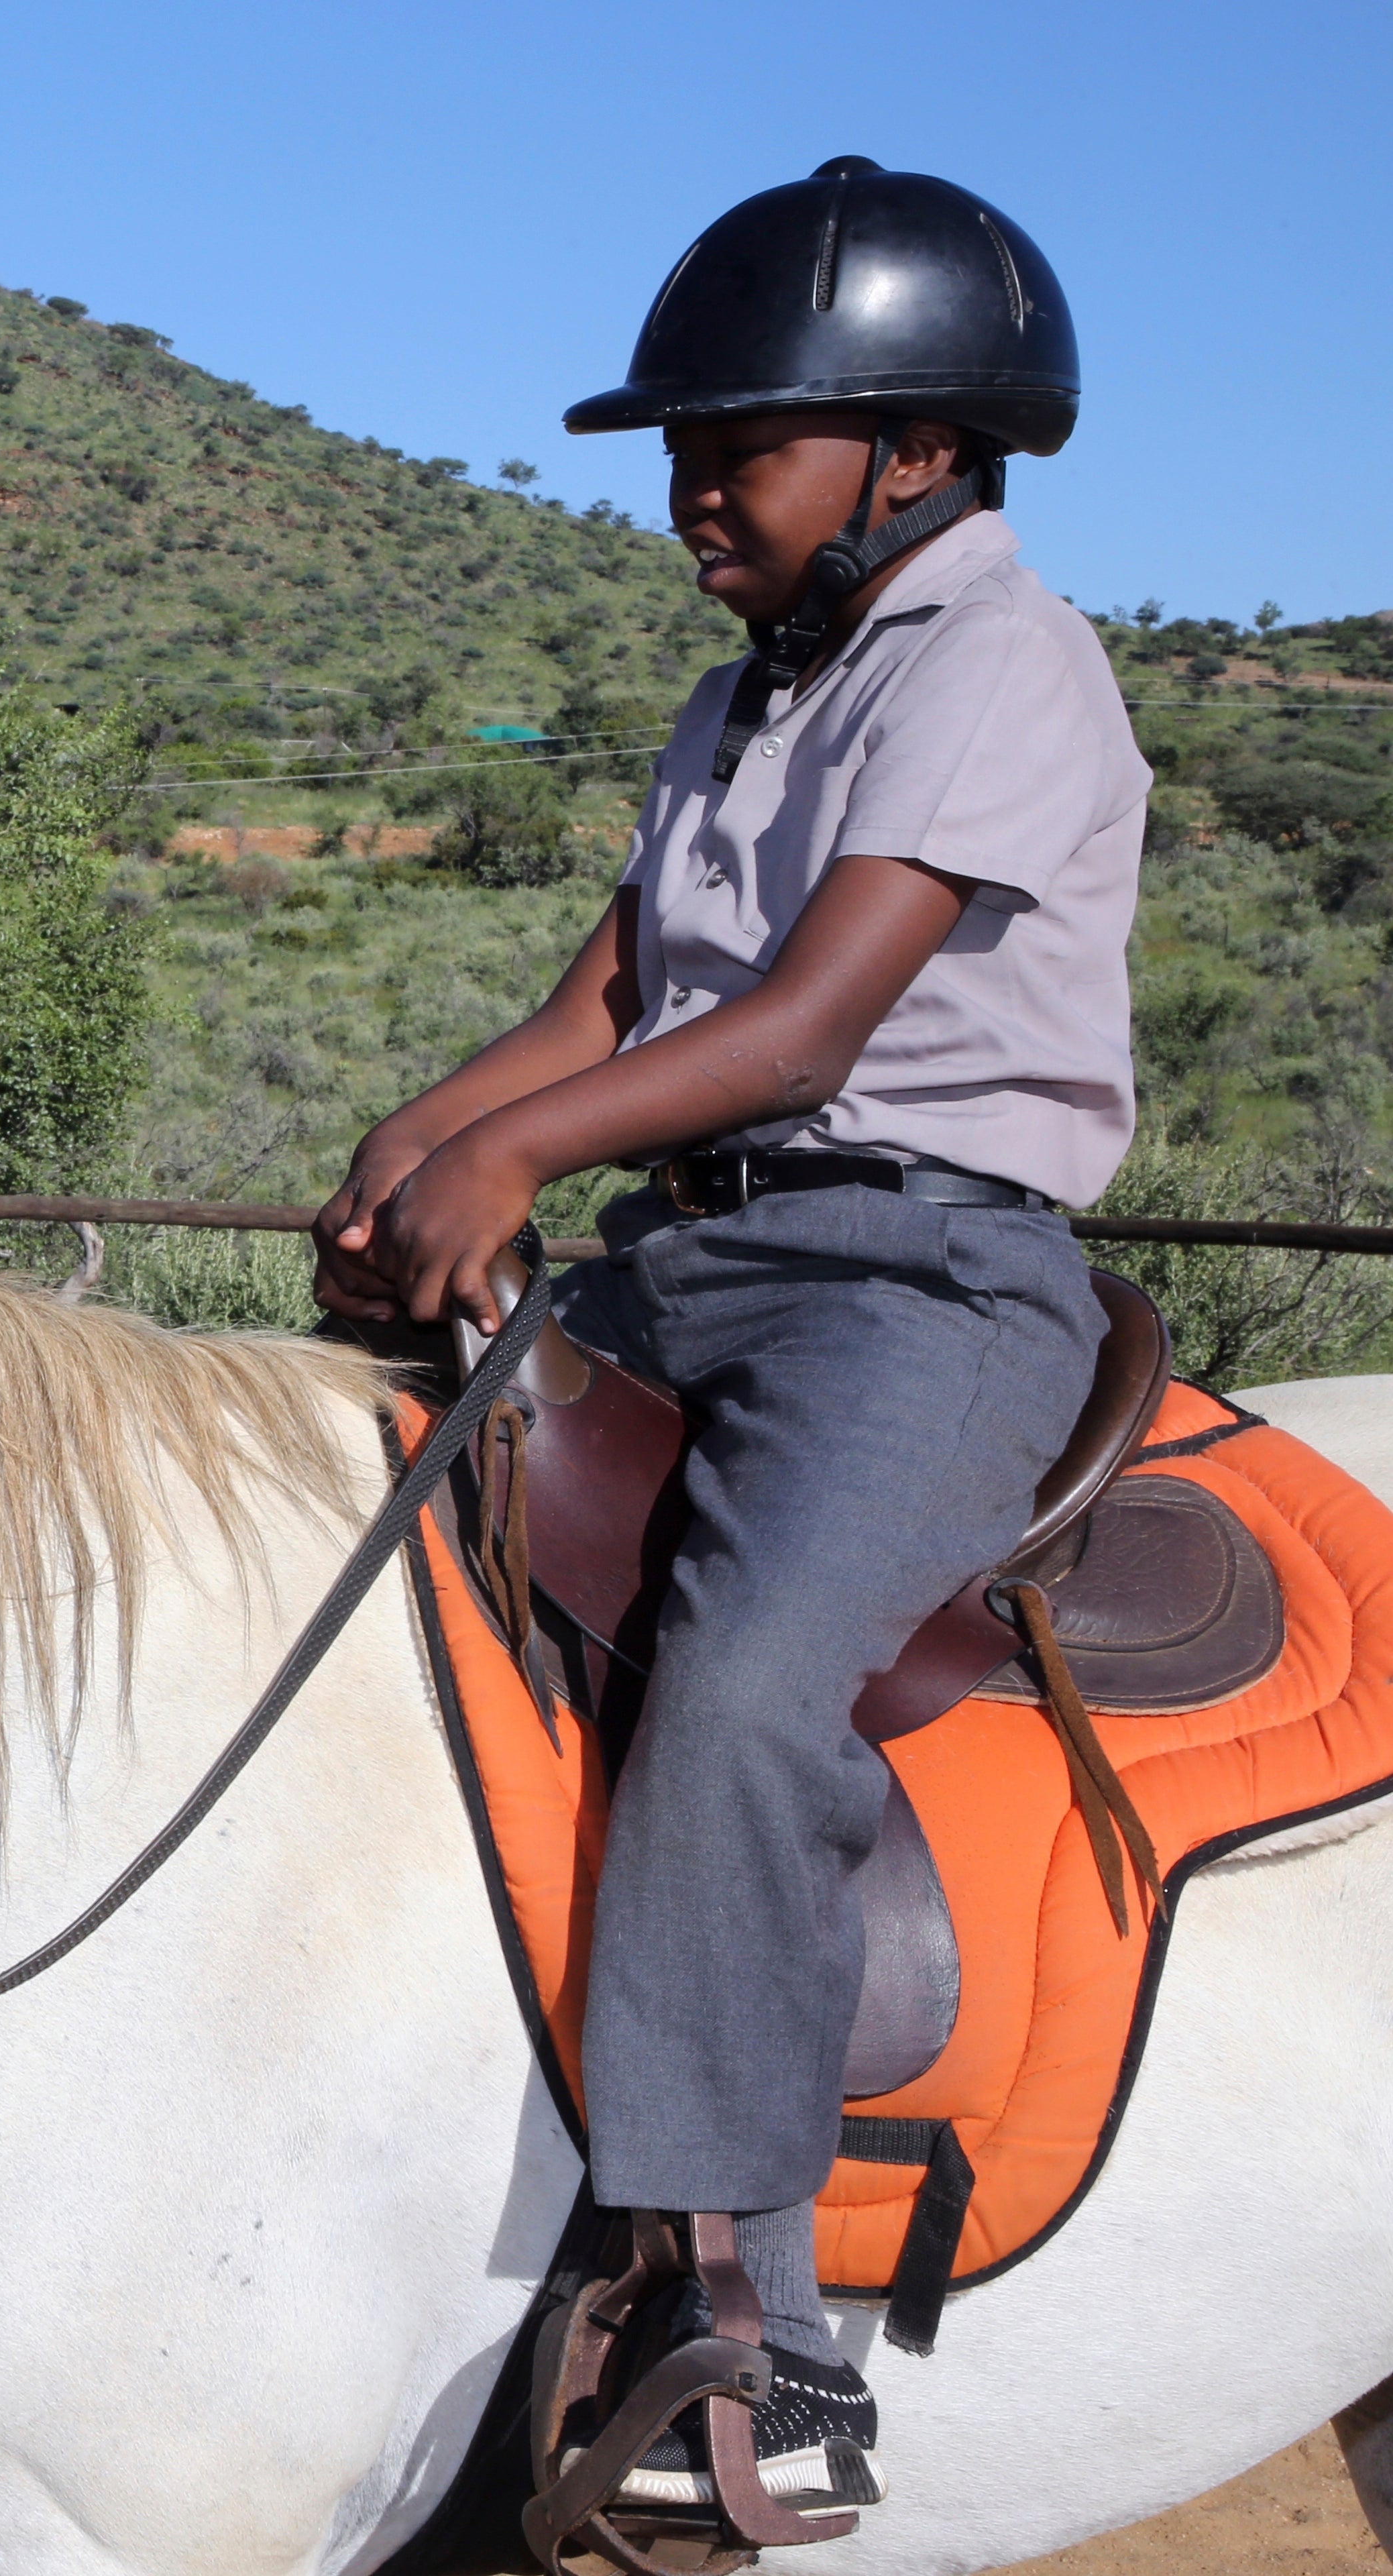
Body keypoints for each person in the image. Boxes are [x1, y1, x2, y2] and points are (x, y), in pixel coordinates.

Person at [311, 160, 1135, 2530]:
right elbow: (611, 1001)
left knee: (757, 1679)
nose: (690, 489)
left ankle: (749, 2324)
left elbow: (802, 1032)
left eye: (737, 445)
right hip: (692, 1263)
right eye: (681, 448)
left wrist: (512, 1161)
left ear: (918, 450)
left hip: (920, 1281)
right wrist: (416, 1144)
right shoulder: (745, 692)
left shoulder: (1003, 666)